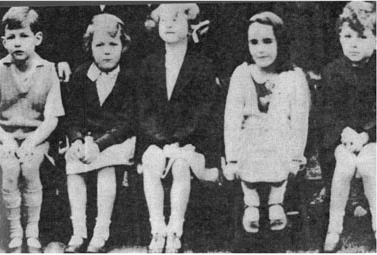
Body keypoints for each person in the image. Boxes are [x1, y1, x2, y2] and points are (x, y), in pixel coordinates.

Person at [134, 4, 223, 253]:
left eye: (176, 19)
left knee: (181, 165)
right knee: (152, 160)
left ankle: (175, 230)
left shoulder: (202, 65)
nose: (170, 25)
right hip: (156, 140)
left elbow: (204, 110)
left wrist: (179, 141)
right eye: (164, 20)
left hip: (191, 142)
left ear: (190, 26)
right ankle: (157, 229)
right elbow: (144, 110)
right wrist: (162, 141)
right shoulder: (148, 65)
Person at [224, 12, 310, 235]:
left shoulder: (293, 76)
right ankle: (250, 201)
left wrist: (296, 156)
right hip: (249, 140)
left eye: (267, 41)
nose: (260, 49)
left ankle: (276, 201)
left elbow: (300, 121)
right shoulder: (242, 74)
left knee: (277, 137)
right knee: (251, 136)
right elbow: (231, 119)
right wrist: (232, 158)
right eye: (254, 42)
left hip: (281, 138)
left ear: (280, 41)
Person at [59, 13, 136, 253]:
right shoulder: (82, 75)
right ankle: (78, 231)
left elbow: (126, 123)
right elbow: (72, 117)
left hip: (116, 141)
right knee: (73, 166)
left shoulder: (128, 78)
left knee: (106, 168)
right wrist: (77, 141)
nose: (106, 51)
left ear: (123, 47)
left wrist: (99, 146)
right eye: (99, 45)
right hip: (88, 139)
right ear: (89, 47)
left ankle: (100, 232)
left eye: (113, 44)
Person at [0, 6, 65, 253]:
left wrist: (32, 142)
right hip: (6, 137)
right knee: (11, 169)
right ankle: (15, 231)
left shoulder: (48, 70)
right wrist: (7, 140)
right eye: (11, 38)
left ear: (37, 39)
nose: (17, 43)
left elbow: (51, 118)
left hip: (36, 137)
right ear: (4, 42)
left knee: (31, 167)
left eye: (23, 36)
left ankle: (32, 231)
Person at [318, 1, 376, 252]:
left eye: (362, 36)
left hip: (371, 138)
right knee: (343, 166)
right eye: (348, 36)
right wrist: (343, 132)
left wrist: (366, 134)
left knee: (368, 165)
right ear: (339, 37)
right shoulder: (332, 72)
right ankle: (334, 227)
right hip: (342, 139)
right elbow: (326, 111)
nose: (353, 43)